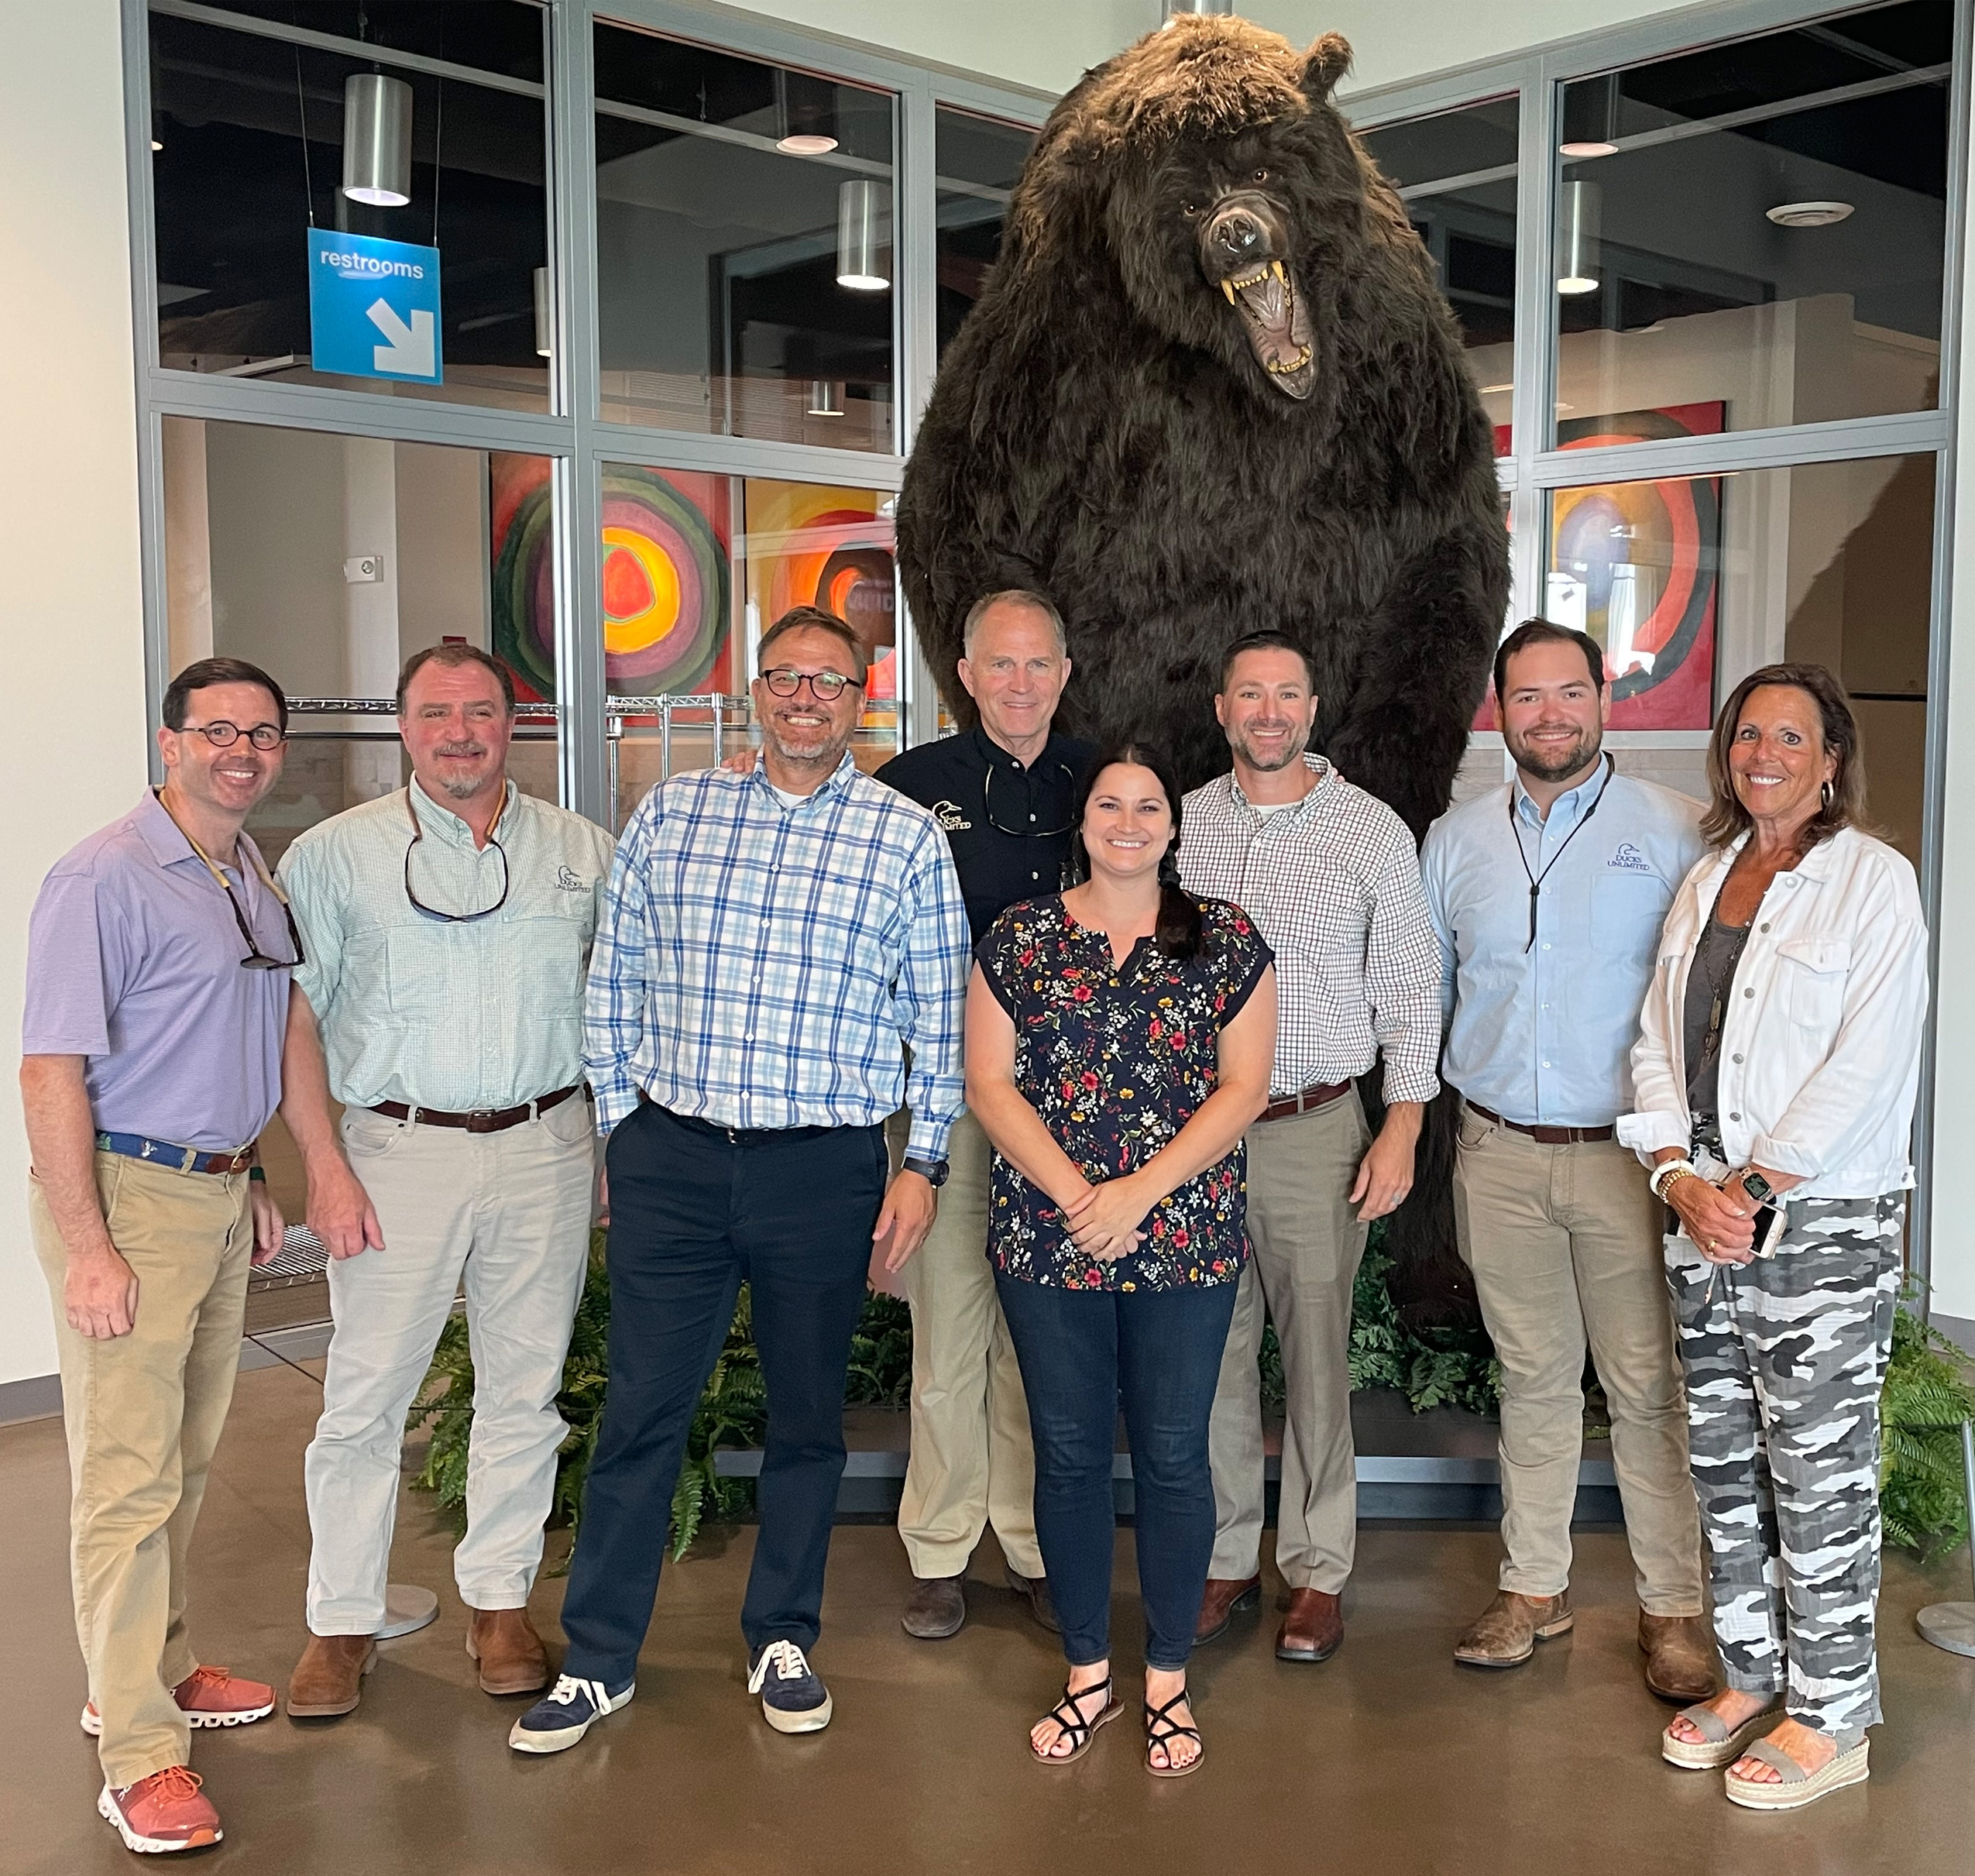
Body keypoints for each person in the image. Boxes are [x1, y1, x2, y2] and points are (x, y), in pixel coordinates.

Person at [510, 606, 970, 1754]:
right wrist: (623, 1130)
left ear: (859, 698)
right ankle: (603, 1657)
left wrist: (921, 1162)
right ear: (753, 693)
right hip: (673, 1157)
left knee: (807, 1416)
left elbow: (943, 1020)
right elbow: (610, 981)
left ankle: (782, 1636)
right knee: (642, 1412)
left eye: (828, 681)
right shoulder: (673, 813)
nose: (805, 698)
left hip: (820, 1168)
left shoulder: (905, 838)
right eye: (785, 678)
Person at [278, 643, 615, 1720]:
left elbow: (615, 1011)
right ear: (403, 726)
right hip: (394, 1149)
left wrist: (603, 1148)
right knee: (365, 1396)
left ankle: (501, 1601)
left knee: (525, 1388)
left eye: (480, 711)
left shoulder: (581, 851)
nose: (459, 731)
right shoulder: (334, 856)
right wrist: (322, 1167)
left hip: (546, 1142)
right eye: (436, 713)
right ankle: (340, 1617)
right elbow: (291, 1018)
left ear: (512, 723)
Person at [1626, 664, 1927, 1811]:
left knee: (1815, 1469)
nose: (1762, 753)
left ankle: (1834, 1711)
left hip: (1817, 1220)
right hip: (1702, 1216)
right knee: (1724, 1461)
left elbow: (1868, 1058)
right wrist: (1673, 1173)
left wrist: (1747, 1184)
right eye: (1746, 733)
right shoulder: (1707, 877)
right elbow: (1656, 1040)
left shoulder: (1871, 883)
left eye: (1789, 736)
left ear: (1831, 758)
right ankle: (1754, 1676)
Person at [22, 658, 294, 1854]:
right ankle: (136, 1751)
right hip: (129, 1199)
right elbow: (48, 1071)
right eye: (218, 730)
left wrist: (257, 1172)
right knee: (125, 1482)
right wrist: (89, 1244)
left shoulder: (243, 867)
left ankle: (150, 1668)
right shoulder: (101, 876)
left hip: (217, 1191)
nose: (242, 750)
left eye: (262, 733)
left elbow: (229, 1030)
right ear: (169, 740)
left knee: (182, 1461)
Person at [969, 742, 1276, 1777]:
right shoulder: (1019, 936)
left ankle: (1167, 1678)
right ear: (1083, 818)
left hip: (1180, 1237)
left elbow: (1242, 1088)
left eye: (1148, 805)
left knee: (1175, 1454)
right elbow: (988, 1084)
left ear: (1173, 825)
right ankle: (1088, 1670)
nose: (1129, 820)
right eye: (1110, 802)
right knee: (1064, 1453)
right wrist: (1078, 1199)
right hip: (1045, 1238)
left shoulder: (1226, 938)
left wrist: (1137, 1195)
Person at [1420, 619, 1714, 1698]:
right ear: (1497, 710)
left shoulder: (1677, 829)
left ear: (1606, 700)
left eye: (1569, 692)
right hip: (1495, 1151)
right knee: (1532, 1375)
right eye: (1527, 696)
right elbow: (1434, 993)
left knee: (1645, 1385)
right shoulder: (1453, 841)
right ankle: (1533, 1586)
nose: (1550, 714)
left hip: (1630, 1162)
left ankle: (1671, 1607)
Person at [1182, 632, 1440, 1663]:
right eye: (1250, 692)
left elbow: (1412, 985)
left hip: (1315, 1123)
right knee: (1211, 1354)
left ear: (1313, 706)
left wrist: (1405, 1119)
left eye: (1286, 693)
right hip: (1197, 1135)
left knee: (1317, 1363)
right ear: (1220, 707)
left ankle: (1317, 1568)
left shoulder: (1367, 829)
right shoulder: (1184, 823)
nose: (1268, 710)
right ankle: (1225, 1554)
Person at [874, 590, 1092, 1639]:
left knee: (1038, 1337)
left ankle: (1036, 1544)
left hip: (1072, 1117)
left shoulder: (1104, 786)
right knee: (949, 1330)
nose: (1018, 684)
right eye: (998, 666)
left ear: (1064, 670)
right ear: (964, 673)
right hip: (950, 1108)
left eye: (1036, 665)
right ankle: (940, 1546)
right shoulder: (908, 790)